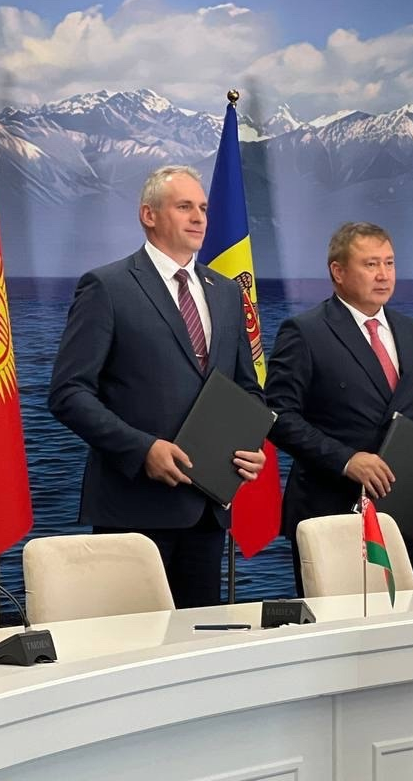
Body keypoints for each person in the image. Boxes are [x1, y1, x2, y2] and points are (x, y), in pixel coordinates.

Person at [47, 165, 267, 608]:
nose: (199, 218)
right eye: (184, 207)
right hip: (133, 508)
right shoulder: (107, 287)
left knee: (200, 642)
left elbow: (248, 389)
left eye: (203, 208)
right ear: (148, 215)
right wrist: (142, 449)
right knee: (131, 641)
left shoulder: (226, 293)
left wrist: (251, 444)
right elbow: (68, 393)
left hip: (207, 510)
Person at [265, 222, 413, 592]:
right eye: (371, 264)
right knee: (338, 624)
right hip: (331, 513)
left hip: (401, 516)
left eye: (389, 263)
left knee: (401, 620)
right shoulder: (305, 331)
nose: (384, 275)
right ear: (338, 272)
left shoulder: (411, 332)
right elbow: (278, 415)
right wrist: (347, 460)